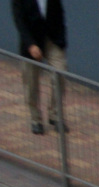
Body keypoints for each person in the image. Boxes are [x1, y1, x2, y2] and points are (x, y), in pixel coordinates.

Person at [12, 0, 67, 135]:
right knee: (31, 83)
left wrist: (61, 36)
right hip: (32, 41)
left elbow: (59, 12)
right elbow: (19, 21)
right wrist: (30, 45)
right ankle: (35, 119)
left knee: (60, 73)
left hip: (52, 39)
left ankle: (55, 115)